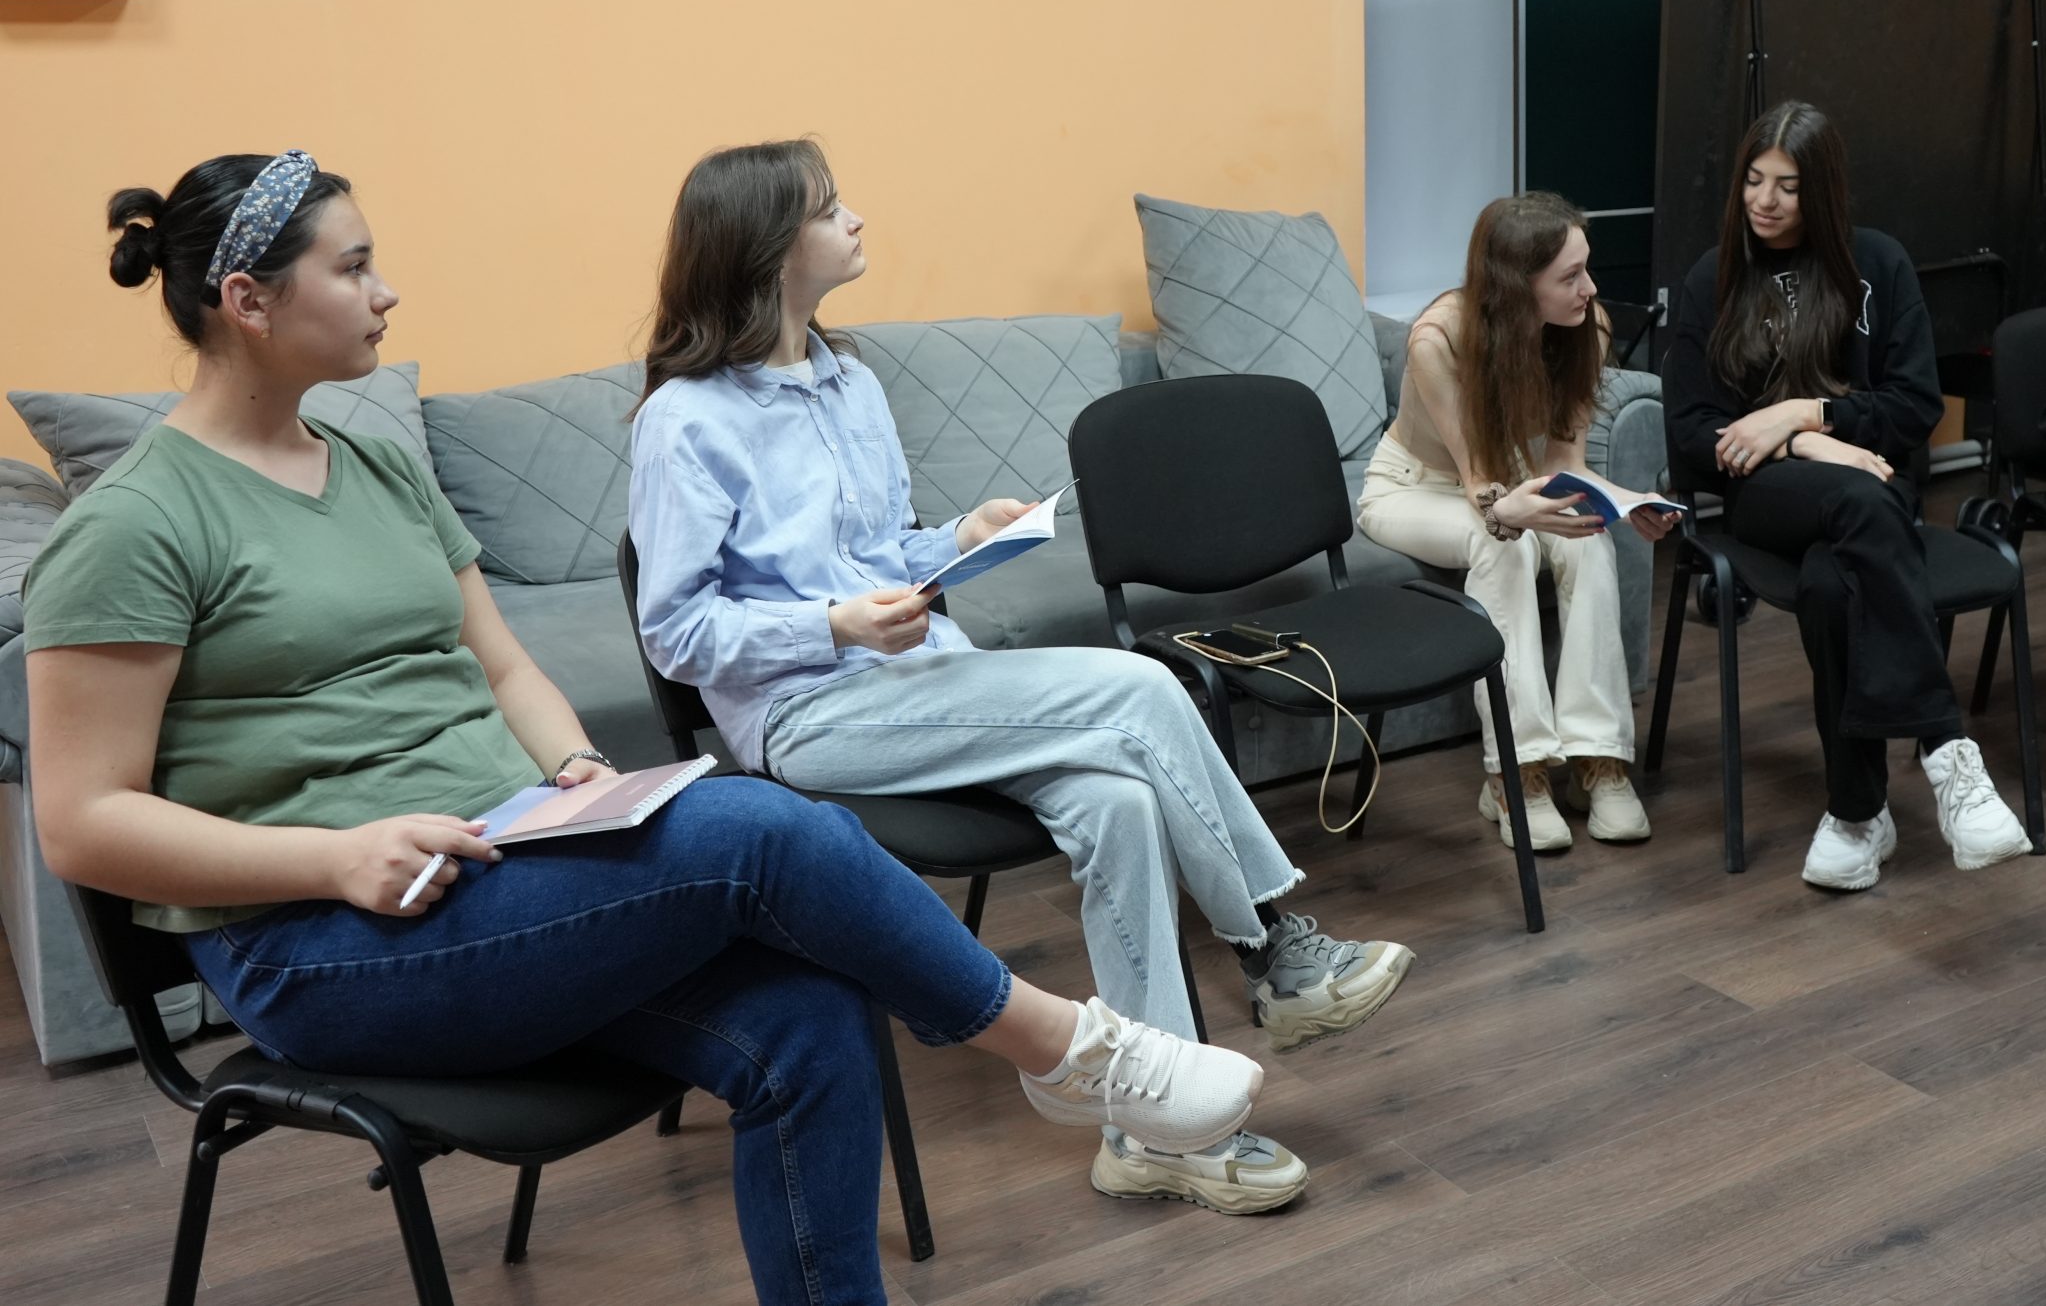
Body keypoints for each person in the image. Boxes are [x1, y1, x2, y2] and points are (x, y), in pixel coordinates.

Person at [24, 152, 1267, 1306]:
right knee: (757, 829)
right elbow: (81, 823)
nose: (386, 291)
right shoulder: (136, 524)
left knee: (811, 1014)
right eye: (352, 268)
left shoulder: (377, 466)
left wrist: (575, 768)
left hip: (498, 865)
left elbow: (502, 663)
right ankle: (1070, 1047)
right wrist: (333, 856)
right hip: (322, 940)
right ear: (248, 300)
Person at [626, 139, 1414, 1219]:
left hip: (922, 684)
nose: (855, 219)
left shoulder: (851, 382)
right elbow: (676, 631)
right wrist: (832, 625)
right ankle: (1278, 947)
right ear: (766, 248)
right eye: (827, 208)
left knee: (1120, 802)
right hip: (809, 713)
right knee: (1141, 687)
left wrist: (959, 539)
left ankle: (1156, 1133)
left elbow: (878, 555)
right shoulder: (685, 420)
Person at [1661, 102, 2035, 890]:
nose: (1764, 201)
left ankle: (1858, 812)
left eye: (1788, 186)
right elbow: (1692, 432)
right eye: (1754, 180)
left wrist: (1808, 414)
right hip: (1766, 498)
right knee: (1858, 505)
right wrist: (1801, 445)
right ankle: (1948, 753)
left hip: (1874, 490)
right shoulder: (1713, 277)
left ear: (1822, 190)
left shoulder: (1878, 265)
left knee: (1834, 586)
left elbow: (1916, 405)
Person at [1354, 192, 1673, 853]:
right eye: (1570, 276)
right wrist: (1511, 514)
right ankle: (1515, 772)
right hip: (1416, 487)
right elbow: (1480, 486)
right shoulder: (1439, 339)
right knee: (1505, 547)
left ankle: (1599, 758)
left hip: (1518, 479)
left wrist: (1625, 499)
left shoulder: (1588, 327)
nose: (1590, 288)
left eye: (1586, 268)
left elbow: (1564, 465)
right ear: (1517, 285)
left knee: (1586, 538)